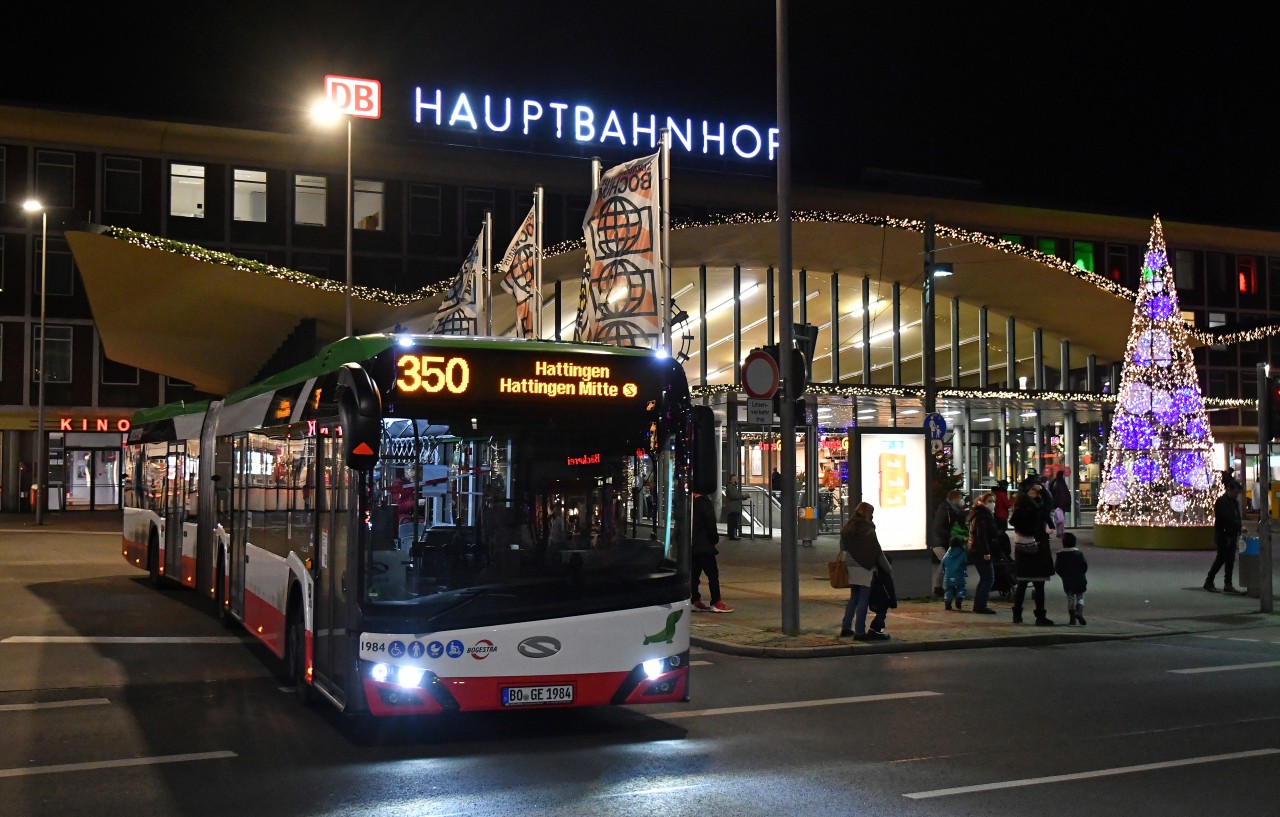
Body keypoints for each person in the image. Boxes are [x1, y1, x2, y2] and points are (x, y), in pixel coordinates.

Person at [839, 502, 892, 641]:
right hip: (866, 567)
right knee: (863, 598)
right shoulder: (868, 530)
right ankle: (859, 632)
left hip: (851, 565)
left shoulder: (847, 527)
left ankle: (845, 627)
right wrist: (888, 568)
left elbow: (843, 547)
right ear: (868, 514)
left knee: (854, 597)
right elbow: (877, 552)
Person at [1009, 489, 1055, 625]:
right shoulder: (1036, 514)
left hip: (1022, 554)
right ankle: (1040, 616)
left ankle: (1017, 615)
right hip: (1037, 554)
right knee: (1039, 587)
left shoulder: (1016, 517)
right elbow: (1048, 502)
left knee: (1022, 585)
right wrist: (1042, 489)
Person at [691, 491, 733, 613]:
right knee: (713, 574)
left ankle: (695, 600)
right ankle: (716, 601)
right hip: (704, 545)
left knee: (694, 575)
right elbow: (710, 524)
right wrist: (714, 539)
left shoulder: (688, 502)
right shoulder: (704, 503)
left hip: (692, 545)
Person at [1206, 480, 1243, 593]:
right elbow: (1225, 518)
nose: (1237, 495)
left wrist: (1238, 527)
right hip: (1223, 534)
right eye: (1235, 492)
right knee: (1221, 559)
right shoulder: (1221, 502)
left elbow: (1237, 516)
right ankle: (1209, 581)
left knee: (1230, 560)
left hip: (1232, 534)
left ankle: (1228, 584)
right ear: (1229, 489)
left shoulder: (1234, 502)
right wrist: (1238, 526)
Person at [965, 490, 1000, 614]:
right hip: (980, 551)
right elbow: (981, 535)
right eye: (990, 501)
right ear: (983, 502)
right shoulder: (981, 515)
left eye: (994, 501)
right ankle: (980, 605)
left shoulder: (982, 513)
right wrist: (986, 552)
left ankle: (979, 604)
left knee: (986, 578)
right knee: (988, 578)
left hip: (977, 550)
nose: (992, 504)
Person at [930, 489, 966, 597]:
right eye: (960, 498)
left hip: (945, 541)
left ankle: (940, 587)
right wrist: (952, 537)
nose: (961, 500)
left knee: (945, 564)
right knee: (947, 563)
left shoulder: (954, 509)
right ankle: (941, 587)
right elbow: (938, 527)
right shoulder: (944, 509)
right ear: (954, 498)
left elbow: (961, 523)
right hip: (939, 542)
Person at [1054, 532, 1088, 624]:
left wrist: (1063, 575)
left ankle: (1072, 618)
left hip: (1067, 579)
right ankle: (1079, 612)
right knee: (1080, 595)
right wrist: (1082, 573)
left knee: (1070, 597)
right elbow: (1084, 565)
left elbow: (1057, 568)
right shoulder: (1078, 554)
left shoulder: (1060, 555)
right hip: (1079, 578)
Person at [867, 556, 897, 637]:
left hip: (874, 600)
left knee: (879, 615)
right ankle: (880, 632)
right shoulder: (886, 577)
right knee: (881, 616)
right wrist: (893, 602)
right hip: (883, 602)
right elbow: (890, 591)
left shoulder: (875, 575)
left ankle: (872, 630)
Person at [942, 535, 968, 611]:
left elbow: (943, 563)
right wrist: (964, 571)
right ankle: (959, 598)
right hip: (959, 575)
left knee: (949, 589)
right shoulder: (962, 553)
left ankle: (947, 602)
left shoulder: (947, 554)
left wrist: (945, 572)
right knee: (961, 588)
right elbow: (964, 564)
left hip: (948, 576)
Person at [1049, 470, 1071, 538]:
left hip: (1058, 504)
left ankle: (1060, 532)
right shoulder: (1060, 483)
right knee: (1061, 519)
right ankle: (1061, 532)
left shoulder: (1055, 482)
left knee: (1059, 519)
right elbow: (1063, 494)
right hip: (1060, 504)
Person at [723, 475, 745, 540]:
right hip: (733, 508)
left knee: (733, 522)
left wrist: (744, 497)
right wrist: (742, 496)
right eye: (737, 479)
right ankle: (732, 536)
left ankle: (732, 536)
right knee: (732, 523)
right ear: (733, 479)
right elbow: (734, 496)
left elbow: (736, 496)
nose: (738, 480)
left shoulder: (732, 487)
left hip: (734, 508)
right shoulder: (730, 487)